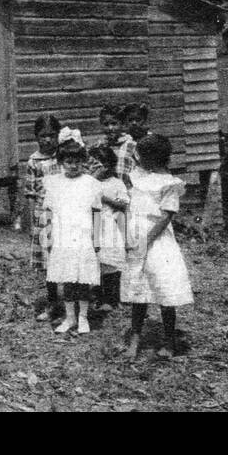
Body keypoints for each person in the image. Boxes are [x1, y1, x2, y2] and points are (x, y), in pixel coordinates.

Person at [122, 133, 194, 359]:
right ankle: (135, 338)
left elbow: (165, 218)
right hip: (136, 238)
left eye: (141, 156)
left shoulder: (169, 184)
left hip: (157, 242)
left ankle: (169, 341)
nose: (138, 159)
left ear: (153, 158)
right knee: (138, 291)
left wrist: (146, 241)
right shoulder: (139, 177)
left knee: (164, 292)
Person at [44, 127, 102, 335]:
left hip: (84, 235)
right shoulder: (54, 183)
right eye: (69, 162)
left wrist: (96, 238)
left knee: (83, 279)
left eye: (77, 162)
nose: (73, 166)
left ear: (83, 162)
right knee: (68, 278)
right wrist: (49, 237)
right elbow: (50, 213)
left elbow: (96, 212)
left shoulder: (90, 183)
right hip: (64, 235)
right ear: (61, 163)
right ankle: (70, 318)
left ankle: (83, 317)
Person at [26, 114, 62, 320]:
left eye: (52, 135)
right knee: (48, 263)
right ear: (36, 137)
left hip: (65, 214)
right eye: (42, 136)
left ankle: (71, 301)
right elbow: (30, 193)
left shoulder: (64, 155)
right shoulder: (34, 161)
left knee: (67, 256)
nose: (47, 140)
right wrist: (33, 222)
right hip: (44, 214)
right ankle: (52, 302)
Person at [91, 144, 129, 312]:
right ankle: (98, 297)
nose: (103, 168)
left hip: (110, 225)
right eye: (99, 164)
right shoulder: (90, 182)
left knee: (111, 261)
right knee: (96, 262)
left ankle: (111, 298)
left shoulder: (117, 183)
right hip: (92, 223)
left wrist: (105, 198)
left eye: (106, 165)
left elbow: (123, 205)